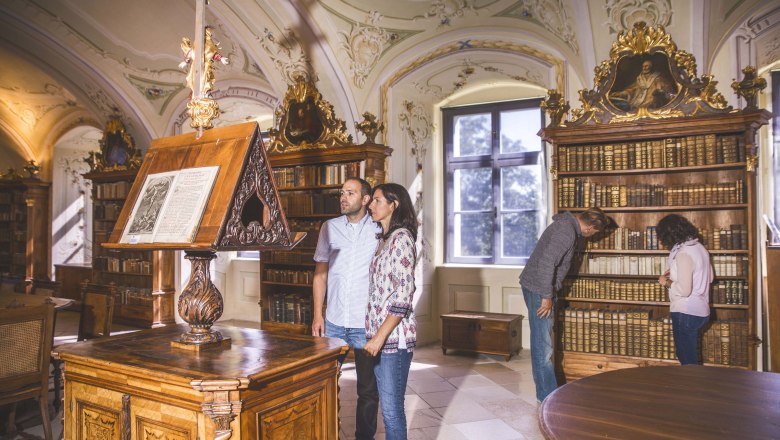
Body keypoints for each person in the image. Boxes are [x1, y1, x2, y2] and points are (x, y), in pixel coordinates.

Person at [312, 177, 380, 439]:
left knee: (368, 389)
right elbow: (320, 274)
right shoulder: (328, 227)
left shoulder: (378, 228)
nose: (343, 197)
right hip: (334, 322)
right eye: (342, 193)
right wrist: (318, 315)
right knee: (327, 384)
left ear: (365, 199)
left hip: (365, 323)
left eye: (350, 193)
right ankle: (331, 433)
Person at [519, 207, 608, 403]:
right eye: (595, 233)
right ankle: (547, 397)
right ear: (590, 227)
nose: (592, 237)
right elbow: (546, 264)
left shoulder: (567, 225)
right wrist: (547, 296)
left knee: (543, 343)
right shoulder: (566, 232)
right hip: (539, 290)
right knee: (543, 347)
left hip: (537, 286)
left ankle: (546, 392)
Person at [363, 183, 417, 440]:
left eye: (376, 201)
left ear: (393, 204)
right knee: (388, 408)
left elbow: (403, 297)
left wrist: (378, 338)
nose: (370, 205)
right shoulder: (383, 240)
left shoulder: (402, 239)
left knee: (392, 411)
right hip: (378, 336)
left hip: (394, 340)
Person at [656, 214, 713, 365]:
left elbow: (685, 290)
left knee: (686, 359)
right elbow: (710, 277)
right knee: (691, 356)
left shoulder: (683, 254)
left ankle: (693, 388)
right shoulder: (700, 248)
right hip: (702, 312)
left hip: (686, 312)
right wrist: (677, 271)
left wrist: (665, 281)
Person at [610, 59, 675, 110]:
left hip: (651, 104)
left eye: (646, 66)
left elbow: (665, 91)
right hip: (636, 104)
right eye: (643, 66)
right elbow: (631, 89)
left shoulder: (658, 78)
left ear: (651, 67)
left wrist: (659, 91)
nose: (644, 68)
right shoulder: (639, 79)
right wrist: (621, 93)